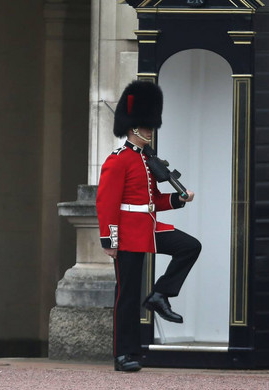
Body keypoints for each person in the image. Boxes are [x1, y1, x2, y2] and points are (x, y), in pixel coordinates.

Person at [96, 80, 202, 372]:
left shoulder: (146, 159)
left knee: (190, 246)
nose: (151, 130)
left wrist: (179, 200)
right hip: (129, 233)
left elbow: (152, 200)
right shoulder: (118, 161)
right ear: (134, 128)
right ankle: (124, 354)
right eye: (147, 126)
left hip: (149, 227)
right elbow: (106, 204)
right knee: (127, 296)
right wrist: (109, 240)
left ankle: (160, 294)